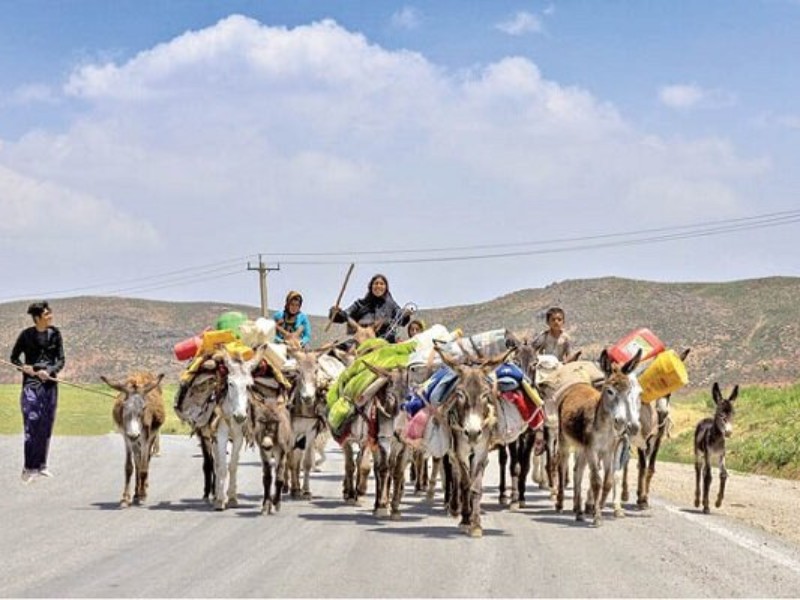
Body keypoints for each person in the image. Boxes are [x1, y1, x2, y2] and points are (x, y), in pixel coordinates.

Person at [10, 301, 65, 483]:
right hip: (31, 385)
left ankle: (41, 465)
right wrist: (24, 367)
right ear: (38, 318)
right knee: (32, 424)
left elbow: (61, 360)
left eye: (50, 313)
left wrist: (49, 371)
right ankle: (28, 468)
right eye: (47, 314)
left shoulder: (55, 334)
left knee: (46, 424)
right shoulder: (26, 335)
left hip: (50, 383)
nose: (50, 316)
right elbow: (14, 358)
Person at [329, 273, 412, 343]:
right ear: (371, 286)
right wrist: (336, 312)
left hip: (385, 341)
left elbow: (400, 316)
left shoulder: (391, 305)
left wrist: (405, 314)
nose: (378, 286)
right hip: (361, 340)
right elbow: (345, 315)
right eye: (376, 283)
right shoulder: (360, 304)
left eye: (382, 284)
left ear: (386, 288)